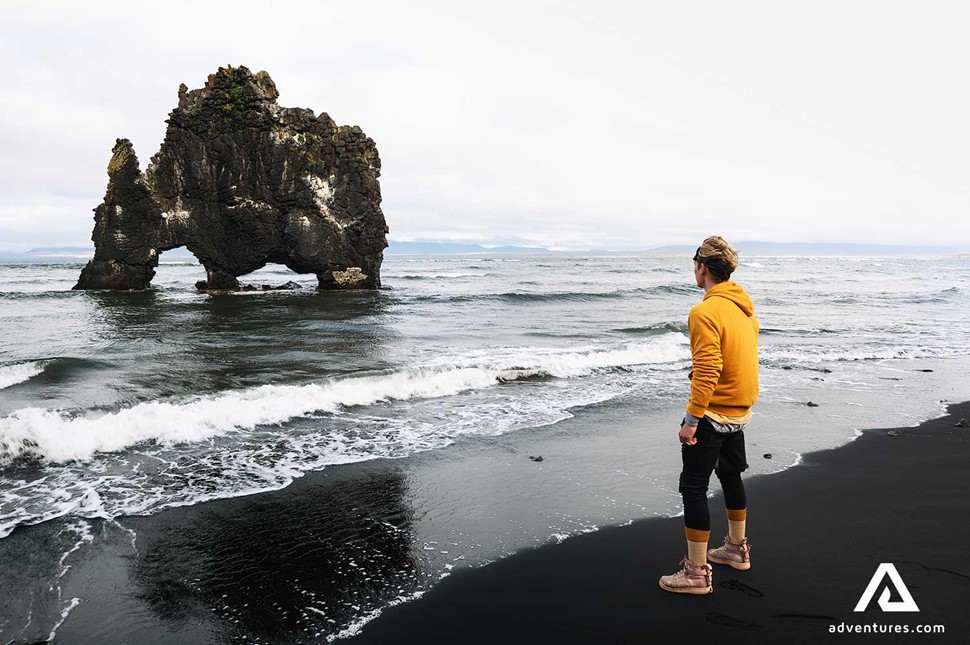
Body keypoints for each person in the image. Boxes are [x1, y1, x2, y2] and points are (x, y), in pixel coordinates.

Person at [659, 235, 759, 595]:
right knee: (731, 476)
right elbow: (736, 358)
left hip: (713, 413)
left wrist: (691, 419)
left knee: (693, 487)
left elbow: (710, 367)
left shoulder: (704, 311)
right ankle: (736, 549)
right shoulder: (744, 309)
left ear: (701, 267)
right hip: (740, 409)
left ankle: (696, 573)